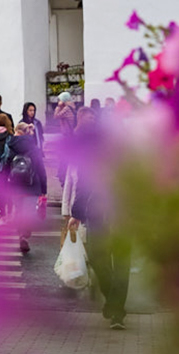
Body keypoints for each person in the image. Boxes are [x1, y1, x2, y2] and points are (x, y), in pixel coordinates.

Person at [68, 114, 129, 329]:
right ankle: (113, 300)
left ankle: (117, 313)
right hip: (97, 216)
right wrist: (76, 213)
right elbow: (84, 186)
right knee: (97, 258)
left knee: (121, 264)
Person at [7, 122, 48, 253]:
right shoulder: (34, 148)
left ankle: (21, 234)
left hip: (15, 186)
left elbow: (5, 166)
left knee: (19, 211)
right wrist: (44, 190)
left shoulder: (10, 146)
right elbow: (41, 170)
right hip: (32, 185)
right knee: (29, 213)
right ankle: (25, 234)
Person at [62, 108, 97, 224]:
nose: (93, 120)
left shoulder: (95, 136)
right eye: (90, 118)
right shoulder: (77, 136)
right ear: (81, 118)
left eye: (93, 118)